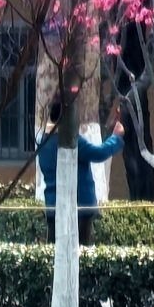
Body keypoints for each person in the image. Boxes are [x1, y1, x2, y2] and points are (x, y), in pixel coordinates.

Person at [34, 100, 124, 245]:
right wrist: (116, 137)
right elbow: (99, 153)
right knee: (82, 250)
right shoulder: (73, 142)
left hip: (53, 207)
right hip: (79, 208)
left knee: (54, 249)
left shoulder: (43, 142)